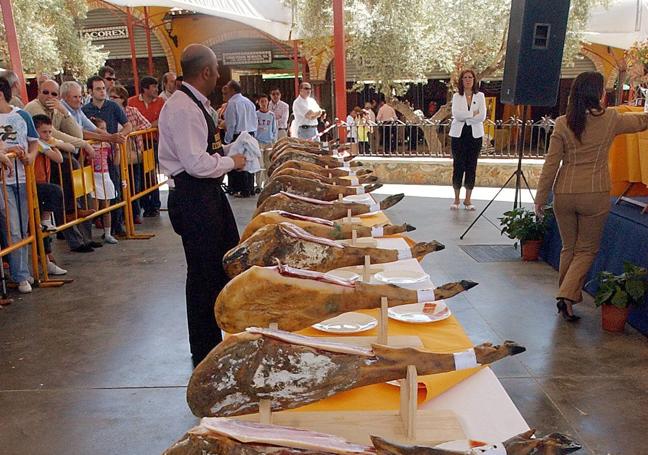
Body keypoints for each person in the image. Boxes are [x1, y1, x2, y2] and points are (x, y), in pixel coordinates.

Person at [535, 71, 648, 322]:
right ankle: (565, 295)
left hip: (564, 193)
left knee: (569, 248)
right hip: (594, 194)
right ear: (598, 94)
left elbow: (550, 165)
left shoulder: (563, 122)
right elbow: (641, 122)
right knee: (586, 250)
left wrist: (540, 198)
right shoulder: (611, 119)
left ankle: (567, 303)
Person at [159, 44, 246, 366]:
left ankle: (222, 335)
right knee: (203, 276)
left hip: (206, 194)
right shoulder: (182, 108)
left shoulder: (192, 103)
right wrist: (230, 162)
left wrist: (222, 155)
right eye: (216, 70)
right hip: (194, 196)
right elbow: (195, 163)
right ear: (206, 71)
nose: (219, 76)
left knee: (224, 262)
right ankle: (205, 349)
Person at [0, 77, 38, 293]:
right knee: (13, 226)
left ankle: (21, 270)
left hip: (22, 177)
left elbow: (33, 140)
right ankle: (21, 274)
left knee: (21, 226)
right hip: (3, 180)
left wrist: (31, 156)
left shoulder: (22, 115)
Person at [83, 75, 132, 237]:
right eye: (98, 88)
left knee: (115, 188)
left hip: (110, 153)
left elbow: (127, 124)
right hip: (92, 156)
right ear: (90, 91)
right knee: (93, 194)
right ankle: (94, 227)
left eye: (103, 88)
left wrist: (120, 137)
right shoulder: (85, 110)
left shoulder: (113, 106)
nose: (102, 91)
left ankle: (116, 225)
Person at [31, 114, 69, 276]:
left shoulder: (45, 143)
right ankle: (43, 261)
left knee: (40, 228)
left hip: (40, 186)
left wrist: (51, 143)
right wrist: (50, 145)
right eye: (44, 132)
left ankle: (47, 260)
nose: (48, 135)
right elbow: (58, 158)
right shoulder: (37, 145)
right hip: (34, 186)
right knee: (55, 191)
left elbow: (60, 156)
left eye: (49, 132)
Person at [110, 85, 151, 225]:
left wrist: (132, 130)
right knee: (120, 185)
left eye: (114, 97)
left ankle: (135, 213)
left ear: (122, 99)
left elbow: (147, 124)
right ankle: (121, 217)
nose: (111, 99)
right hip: (116, 153)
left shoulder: (132, 111)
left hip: (132, 151)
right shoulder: (109, 112)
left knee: (134, 184)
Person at [448, 69, 486, 211]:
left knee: (471, 166)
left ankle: (468, 200)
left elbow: (482, 116)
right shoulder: (457, 97)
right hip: (459, 135)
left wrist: (468, 116)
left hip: (475, 135)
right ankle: (456, 199)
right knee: (458, 165)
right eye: (465, 77)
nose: (468, 80)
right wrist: (472, 113)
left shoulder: (480, 96)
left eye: (470, 77)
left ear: (474, 80)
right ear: (461, 80)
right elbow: (457, 115)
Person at [128, 76, 164, 216]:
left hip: (151, 142)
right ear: (145, 89)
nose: (156, 89)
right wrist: (148, 125)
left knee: (150, 173)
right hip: (135, 143)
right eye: (153, 87)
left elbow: (161, 120)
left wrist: (144, 126)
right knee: (139, 175)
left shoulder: (161, 102)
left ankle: (153, 205)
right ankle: (143, 203)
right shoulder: (132, 101)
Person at [222, 80, 257, 198]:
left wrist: (228, 140)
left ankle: (238, 189)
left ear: (232, 90)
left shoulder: (232, 103)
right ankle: (249, 188)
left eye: (227, 90)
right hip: (250, 134)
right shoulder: (249, 102)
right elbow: (255, 120)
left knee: (237, 162)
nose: (225, 92)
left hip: (238, 135)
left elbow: (231, 123)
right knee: (249, 160)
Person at [88, 117, 119, 245]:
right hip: (92, 176)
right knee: (93, 209)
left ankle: (107, 233)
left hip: (105, 176)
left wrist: (117, 149)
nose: (104, 132)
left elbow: (115, 162)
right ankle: (87, 235)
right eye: (101, 129)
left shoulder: (106, 145)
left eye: (105, 129)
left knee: (106, 208)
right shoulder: (88, 144)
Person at [255, 93, 277, 191]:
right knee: (260, 165)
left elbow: (274, 129)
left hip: (269, 141)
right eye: (261, 101)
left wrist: (274, 140)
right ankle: (259, 185)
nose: (264, 103)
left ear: (268, 102)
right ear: (258, 103)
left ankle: (268, 183)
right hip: (259, 141)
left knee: (268, 164)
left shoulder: (271, 115)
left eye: (265, 101)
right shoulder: (256, 114)